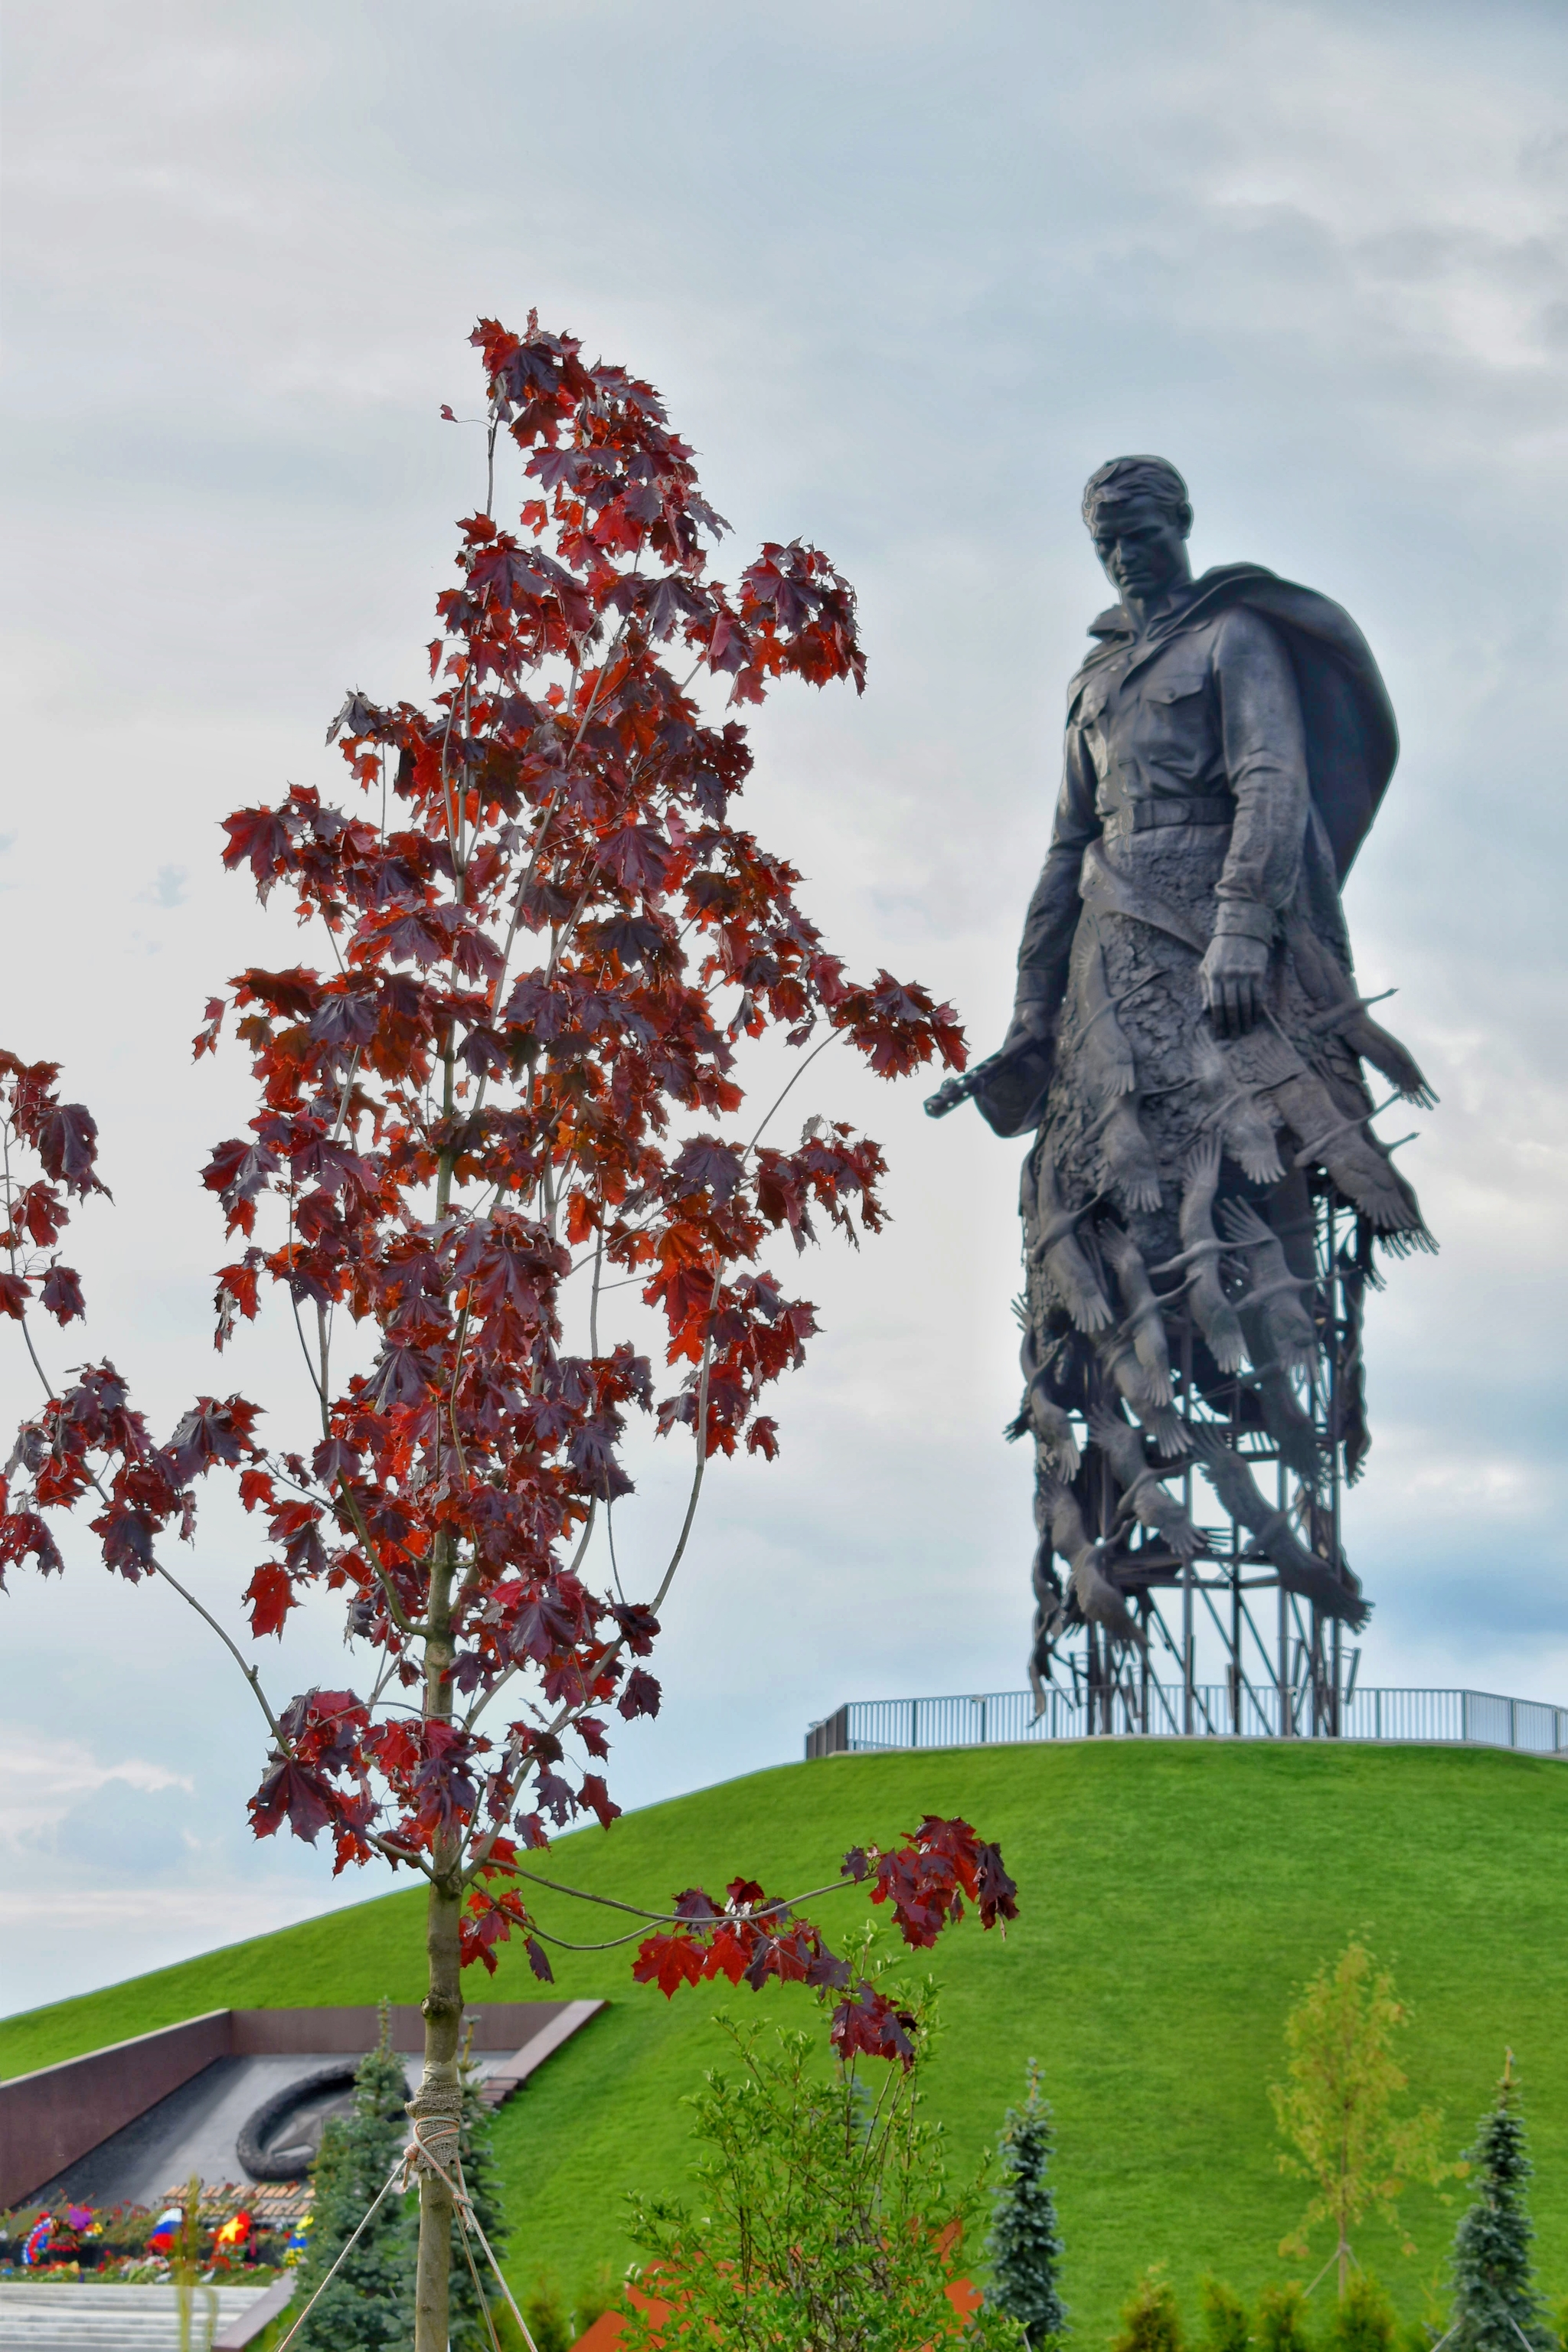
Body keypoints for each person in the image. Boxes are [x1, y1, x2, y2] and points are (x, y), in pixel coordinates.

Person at [929, 456, 1432, 1677]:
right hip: (1109, 973)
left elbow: (1274, 781)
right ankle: (1117, 1533)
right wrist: (1026, 1023)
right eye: (1106, 537)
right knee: (1094, 1238)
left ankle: (1279, 1464)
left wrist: (1245, 929)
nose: (1124, 555)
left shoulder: (1237, 636)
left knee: (1247, 1210)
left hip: (1219, 967)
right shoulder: (1094, 676)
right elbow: (1063, 852)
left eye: (1142, 531)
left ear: (1183, 525)